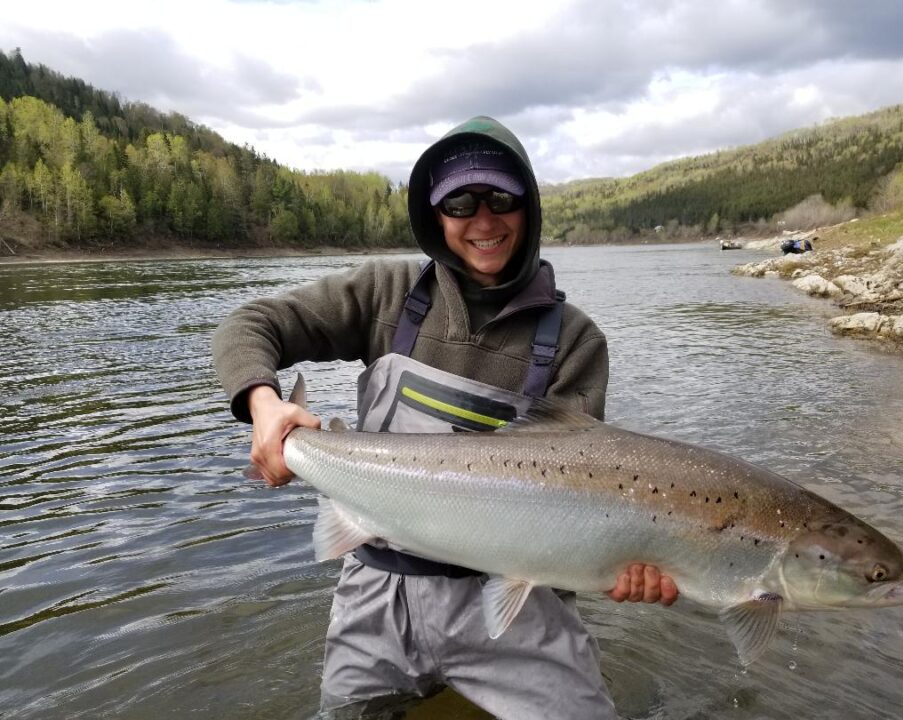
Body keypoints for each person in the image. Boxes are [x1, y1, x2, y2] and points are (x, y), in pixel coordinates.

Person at [213, 115, 678, 719]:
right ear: (436, 216)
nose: (483, 222)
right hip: (377, 590)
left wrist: (622, 563)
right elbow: (249, 326)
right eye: (460, 202)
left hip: (516, 600)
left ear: (529, 206)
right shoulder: (387, 293)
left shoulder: (574, 340)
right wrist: (264, 403)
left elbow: (586, 494)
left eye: (501, 199)